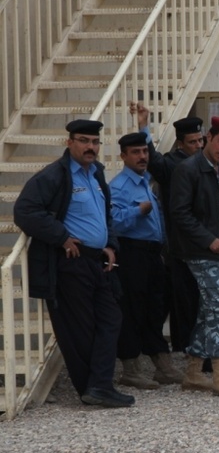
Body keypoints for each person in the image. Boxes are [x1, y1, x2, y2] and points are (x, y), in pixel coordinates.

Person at [13, 120, 133, 407]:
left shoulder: (96, 174)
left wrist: (110, 244)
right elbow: (25, 211)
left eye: (94, 141)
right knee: (79, 329)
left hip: (97, 261)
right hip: (71, 262)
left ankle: (98, 385)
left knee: (111, 319)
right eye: (83, 140)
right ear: (69, 143)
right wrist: (62, 236)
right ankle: (93, 388)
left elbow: (105, 216)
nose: (90, 147)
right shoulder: (56, 175)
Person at [169, 116, 219, 398]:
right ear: (209, 137)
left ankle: (192, 372)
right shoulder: (188, 169)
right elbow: (179, 213)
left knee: (208, 312)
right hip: (200, 252)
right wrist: (208, 239)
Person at [109, 131, 183, 390]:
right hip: (131, 253)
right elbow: (113, 222)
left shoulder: (145, 180)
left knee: (155, 307)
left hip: (153, 254)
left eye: (145, 151)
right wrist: (137, 211)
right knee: (132, 309)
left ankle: (162, 365)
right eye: (136, 152)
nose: (143, 156)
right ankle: (131, 368)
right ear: (123, 156)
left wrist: (146, 126)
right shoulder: (118, 187)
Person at [132, 103, 204, 358]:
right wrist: (144, 126)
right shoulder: (172, 165)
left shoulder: (207, 165)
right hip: (179, 244)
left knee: (203, 299)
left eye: (200, 140)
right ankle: (185, 347)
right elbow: (152, 159)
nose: (198, 146)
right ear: (181, 144)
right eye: (193, 142)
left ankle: (207, 345)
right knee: (182, 300)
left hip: (205, 243)